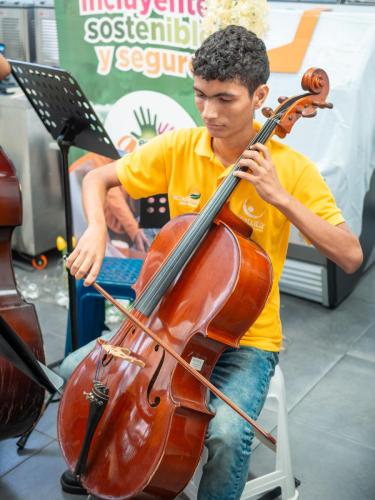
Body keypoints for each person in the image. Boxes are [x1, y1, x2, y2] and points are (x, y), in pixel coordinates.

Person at [64, 25, 363, 500]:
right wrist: (97, 228)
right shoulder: (181, 145)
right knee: (74, 373)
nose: (209, 112)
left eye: (225, 99)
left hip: (246, 338)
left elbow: (350, 255)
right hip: (161, 322)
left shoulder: (292, 170)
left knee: (225, 435)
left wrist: (280, 197)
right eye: (201, 95)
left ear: (260, 95)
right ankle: (112, 462)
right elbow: (97, 179)